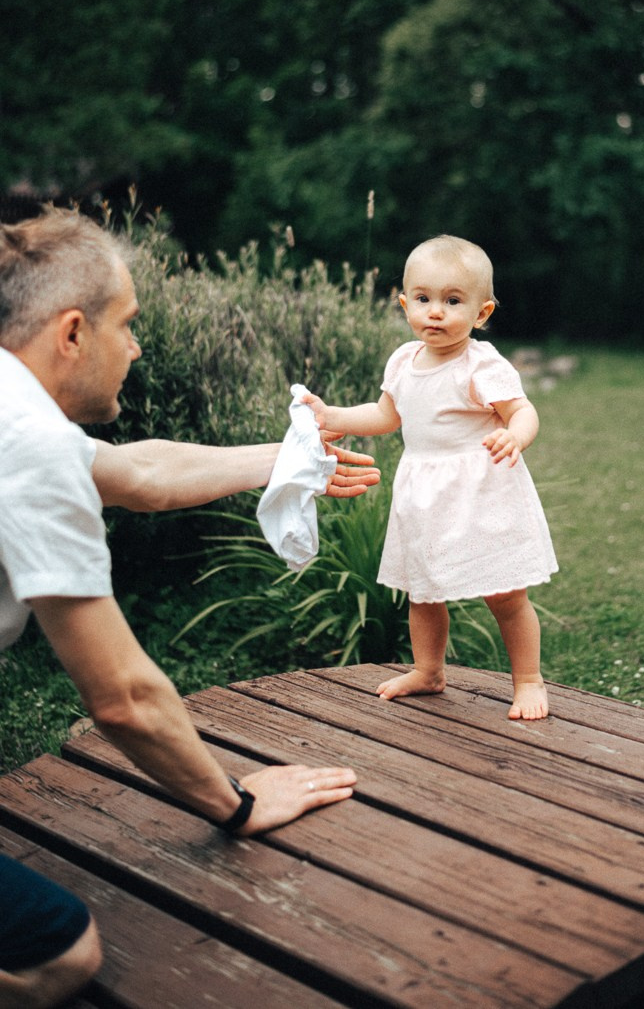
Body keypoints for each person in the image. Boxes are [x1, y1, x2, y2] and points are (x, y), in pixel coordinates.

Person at [0, 207, 379, 1008]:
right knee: (59, 957)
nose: (135, 346)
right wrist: (235, 804)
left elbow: (141, 475)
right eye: (126, 324)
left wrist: (289, 460)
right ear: (72, 332)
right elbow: (124, 699)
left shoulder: (13, 406)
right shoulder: (26, 446)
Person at [303, 234, 558, 723]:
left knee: (505, 593)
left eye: (453, 301)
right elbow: (385, 415)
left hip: (482, 489)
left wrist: (516, 436)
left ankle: (528, 679)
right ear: (404, 304)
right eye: (423, 299)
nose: (435, 312)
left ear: (481, 314)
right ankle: (428, 671)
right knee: (423, 590)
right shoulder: (403, 361)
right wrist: (333, 414)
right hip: (424, 493)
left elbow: (522, 410)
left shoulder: (479, 363)